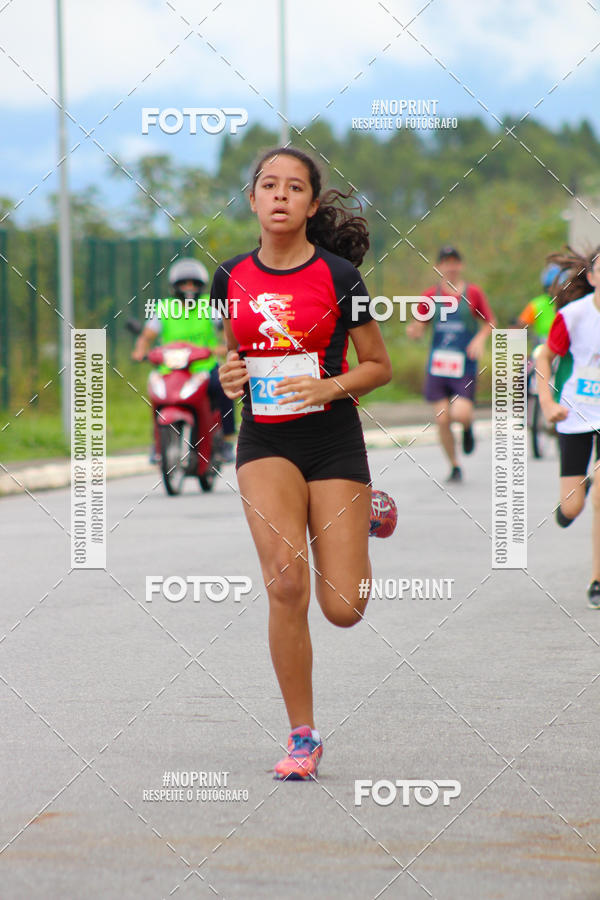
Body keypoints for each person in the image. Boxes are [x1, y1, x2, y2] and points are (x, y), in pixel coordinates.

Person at [212, 146, 394, 780]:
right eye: (269, 185)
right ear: (254, 199)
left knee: (343, 606)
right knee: (286, 583)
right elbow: (229, 357)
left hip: (333, 440)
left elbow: (379, 366)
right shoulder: (228, 277)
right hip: (265, 442)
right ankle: (302, 736)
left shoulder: (341, 277)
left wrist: (326, 387)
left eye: (295, 187)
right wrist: (228, 373)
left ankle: (364, 509)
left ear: (312, 205)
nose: (281, 195)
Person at [535, 246, 600, 609]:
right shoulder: (574, 316)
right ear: (591, 277)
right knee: (573, 507)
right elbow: (544, 355)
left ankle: (597, 580)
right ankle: (577, 492)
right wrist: (547, 403)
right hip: (575, 413)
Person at [132, 258, 235, 462]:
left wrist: (223, 348)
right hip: (171, 370)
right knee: (157, 395)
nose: (189, 288)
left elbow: (228, 335)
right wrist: (139, 351)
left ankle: (225, 440)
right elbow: (146, 336)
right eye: (184, 284)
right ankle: (158, 442)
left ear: (201, 286)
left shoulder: (211, 306)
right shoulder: (163, 308)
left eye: (194, 284)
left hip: (203, 367)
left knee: (223, 388)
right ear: (175, 287)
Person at [407, 246, 495, 482]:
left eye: (455, 262)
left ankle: (467, 428)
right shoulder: (430, 296)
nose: (451, 267)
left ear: (461, 266)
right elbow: (419, 324)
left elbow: (489, 322)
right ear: (439, 267)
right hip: (438, 366)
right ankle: (454, 465)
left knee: (461, 413)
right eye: (446, 262)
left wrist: (479, 339)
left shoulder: (473, 293)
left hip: (463, 365)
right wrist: (414, 330)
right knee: (442, 418)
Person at [517, 263, 562, 341]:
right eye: (552, 286)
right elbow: (521, 324)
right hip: (542, 344)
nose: (555, 289)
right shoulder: (536, 304)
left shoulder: (570, 302)